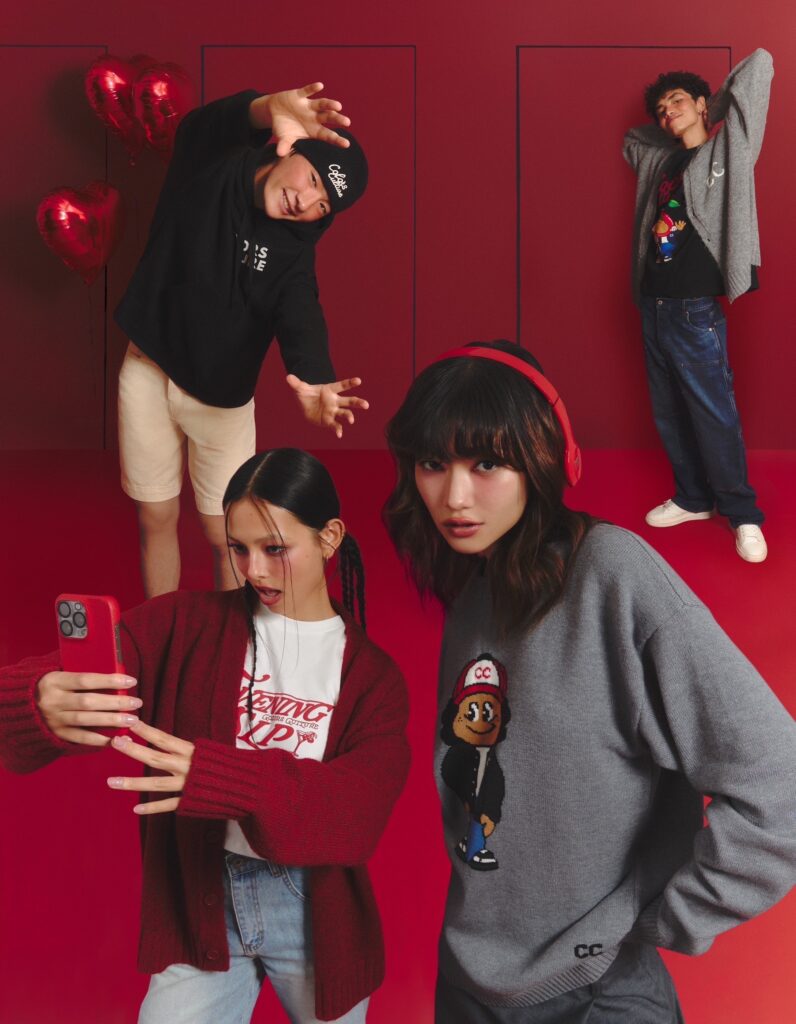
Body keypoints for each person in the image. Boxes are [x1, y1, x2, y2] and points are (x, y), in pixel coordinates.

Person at [383, 339, 796, 1023]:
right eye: (433, 464)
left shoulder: (612, 575)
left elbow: (779, 783)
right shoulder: (474, 595)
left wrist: (657, 924)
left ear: (545, 458)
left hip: (594, 994)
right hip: (467, 983)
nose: (454, 496)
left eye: (486, 462)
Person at [0, 448, 409, 1024]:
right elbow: (51, 692)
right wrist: (36, 698)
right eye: (238, 549)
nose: (254, 570)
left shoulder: (373, 678)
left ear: (329, 537)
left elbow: (355, 815)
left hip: (314, 909)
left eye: (275, 549)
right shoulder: (181, 624)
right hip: (202, 899)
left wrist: (219, 778)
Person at [116, 82, 371, 597]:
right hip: (148, 371)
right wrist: (266, 107)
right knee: (155, 516)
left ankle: (229, 638)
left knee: (227, 535)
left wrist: (315, 379)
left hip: (221, 401)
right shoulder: (210, 167)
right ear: (288, 148)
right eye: (313, 179)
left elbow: (301, 313)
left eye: (323, 204)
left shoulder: (294, 252)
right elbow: (199, 129)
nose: (307, 201)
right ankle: (162, 629)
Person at [623, 49, 774, 562]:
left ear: (703, 103)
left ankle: (743, 513)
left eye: (678, 102)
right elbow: (633, 138)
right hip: (653, 304)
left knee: (714, 414)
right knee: (668, 411)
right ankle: (692, 498)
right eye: (661, 109)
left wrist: (710, 110)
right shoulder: (659, 160)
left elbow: (761, 65)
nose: (668, 113)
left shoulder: (729, 149)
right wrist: (673, 122)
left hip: (694, 310)